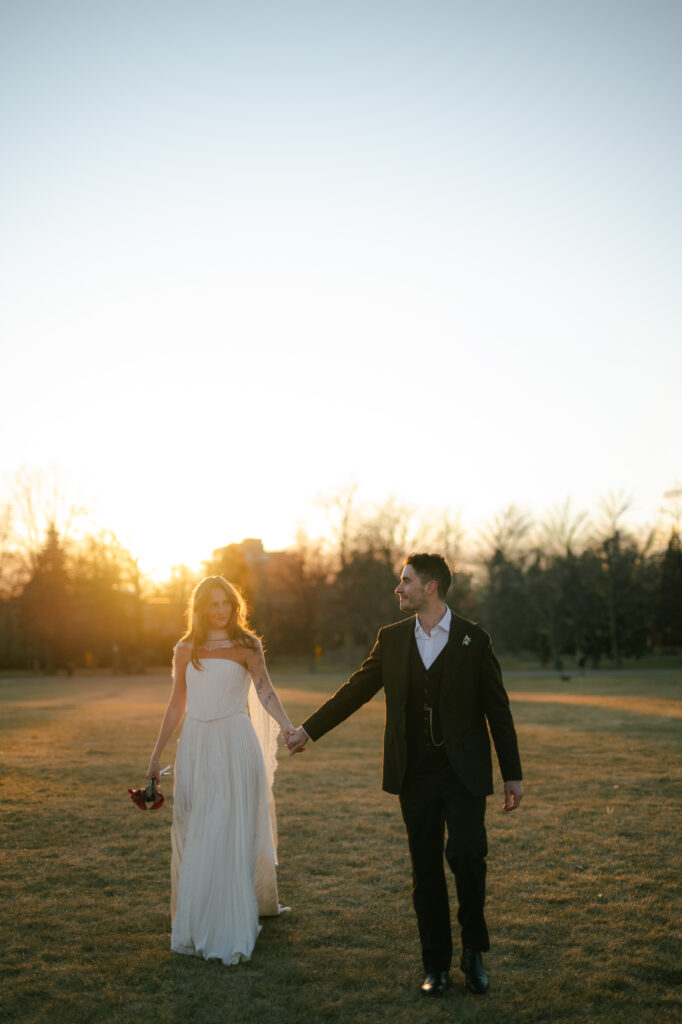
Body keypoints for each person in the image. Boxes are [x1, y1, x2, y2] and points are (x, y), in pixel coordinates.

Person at [286, 552, 523, 998]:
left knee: (468, 857)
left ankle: (473, 955)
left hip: (463, 774)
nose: (398, 588)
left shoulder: (474, 640)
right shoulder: (392, 639)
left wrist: (513, 774)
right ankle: (435, 964)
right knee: (425, 868)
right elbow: (356, 690)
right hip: (414, 773)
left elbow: (498, 709)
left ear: (430, 587)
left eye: (406, 580)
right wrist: (307, 731)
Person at [147, 575, 295, 965]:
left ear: (234, 605)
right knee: (202, 830)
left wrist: (286, 725)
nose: (220, 610)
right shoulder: (185, 649)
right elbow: (176, 704)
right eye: (212, 603)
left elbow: (265, 690)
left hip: (235, 742)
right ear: (199, 608)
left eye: (226, 602)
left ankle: (232, 922)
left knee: (232, 829)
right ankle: (199, 922)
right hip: (197, 745)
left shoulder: (248, 645)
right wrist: (156, 755)